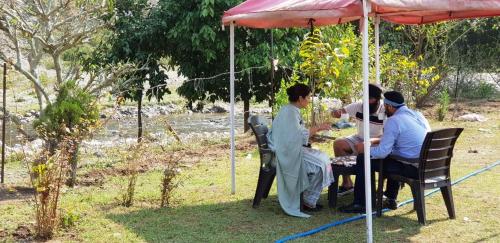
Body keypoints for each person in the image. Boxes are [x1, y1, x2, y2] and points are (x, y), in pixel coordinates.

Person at [339, 90, 431, 213]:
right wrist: (372, 142)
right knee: (392, 157)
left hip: (413, 168)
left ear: (390, 106)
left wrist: (366, 149)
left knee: (364, 158)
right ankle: (390, 198)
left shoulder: (394, 120)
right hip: (428, 165)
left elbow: (382, 152)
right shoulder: (417, 115)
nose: (384, 110)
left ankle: (361, 203)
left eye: (386, 107)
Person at [267, 83, 335, 218]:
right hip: (287, 153)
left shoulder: (290, 110)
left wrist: (314, 131)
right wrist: (319, 127)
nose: (309, 101)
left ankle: (308, 198)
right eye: (308, 97)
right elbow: (299, 135)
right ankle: (308, 200)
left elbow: (295, 135)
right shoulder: (290, 112)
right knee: (321, 164)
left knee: (323, 158)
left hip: (289, 149)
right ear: (300, 98)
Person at [330, 83, 385, 195]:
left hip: (377, 141)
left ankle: (378, 189)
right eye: (365, 98)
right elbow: (342, 111)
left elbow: (388, 136)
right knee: (338, 144)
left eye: (370, 99)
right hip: (359, 138)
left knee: (367, 152)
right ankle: (347, 183)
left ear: (377, 99)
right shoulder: (359, 106)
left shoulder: (385, 110)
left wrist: (369, 142)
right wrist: (336, 113)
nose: (367, 101)